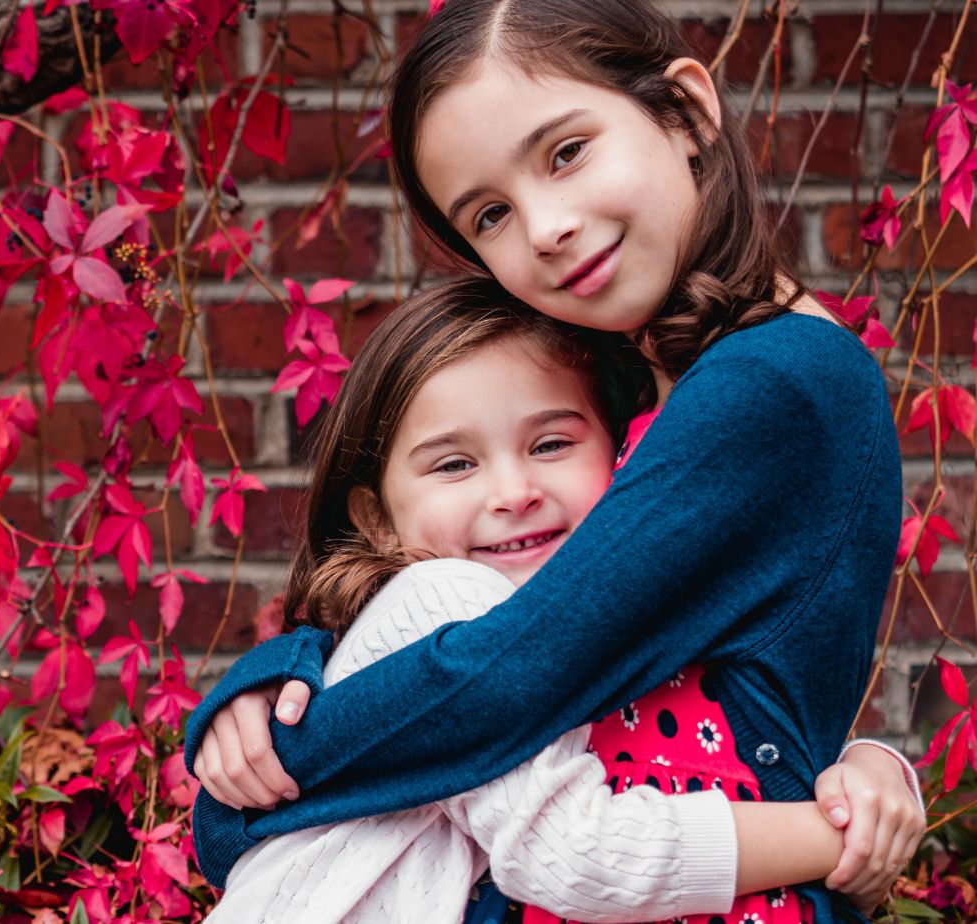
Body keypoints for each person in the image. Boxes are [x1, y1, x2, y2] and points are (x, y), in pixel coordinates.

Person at [184, 0, 924, 918]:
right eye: (490, 213)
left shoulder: (772, 384)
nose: (543, 227)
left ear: (686, 113)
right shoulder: (634, 380)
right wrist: (287, 670)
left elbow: (506, 677)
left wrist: (245, 798)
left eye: (566, 152)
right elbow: (495, 613)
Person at [204, 278, 899, 924]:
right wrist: (838, 835)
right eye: (455, 464)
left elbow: (724, 717)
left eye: (552, 443)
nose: (514, 491)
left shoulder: (594, 630)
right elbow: (570, 854)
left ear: (626, 459)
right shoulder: (446, 595)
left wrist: (873, 766)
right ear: (378, 519)